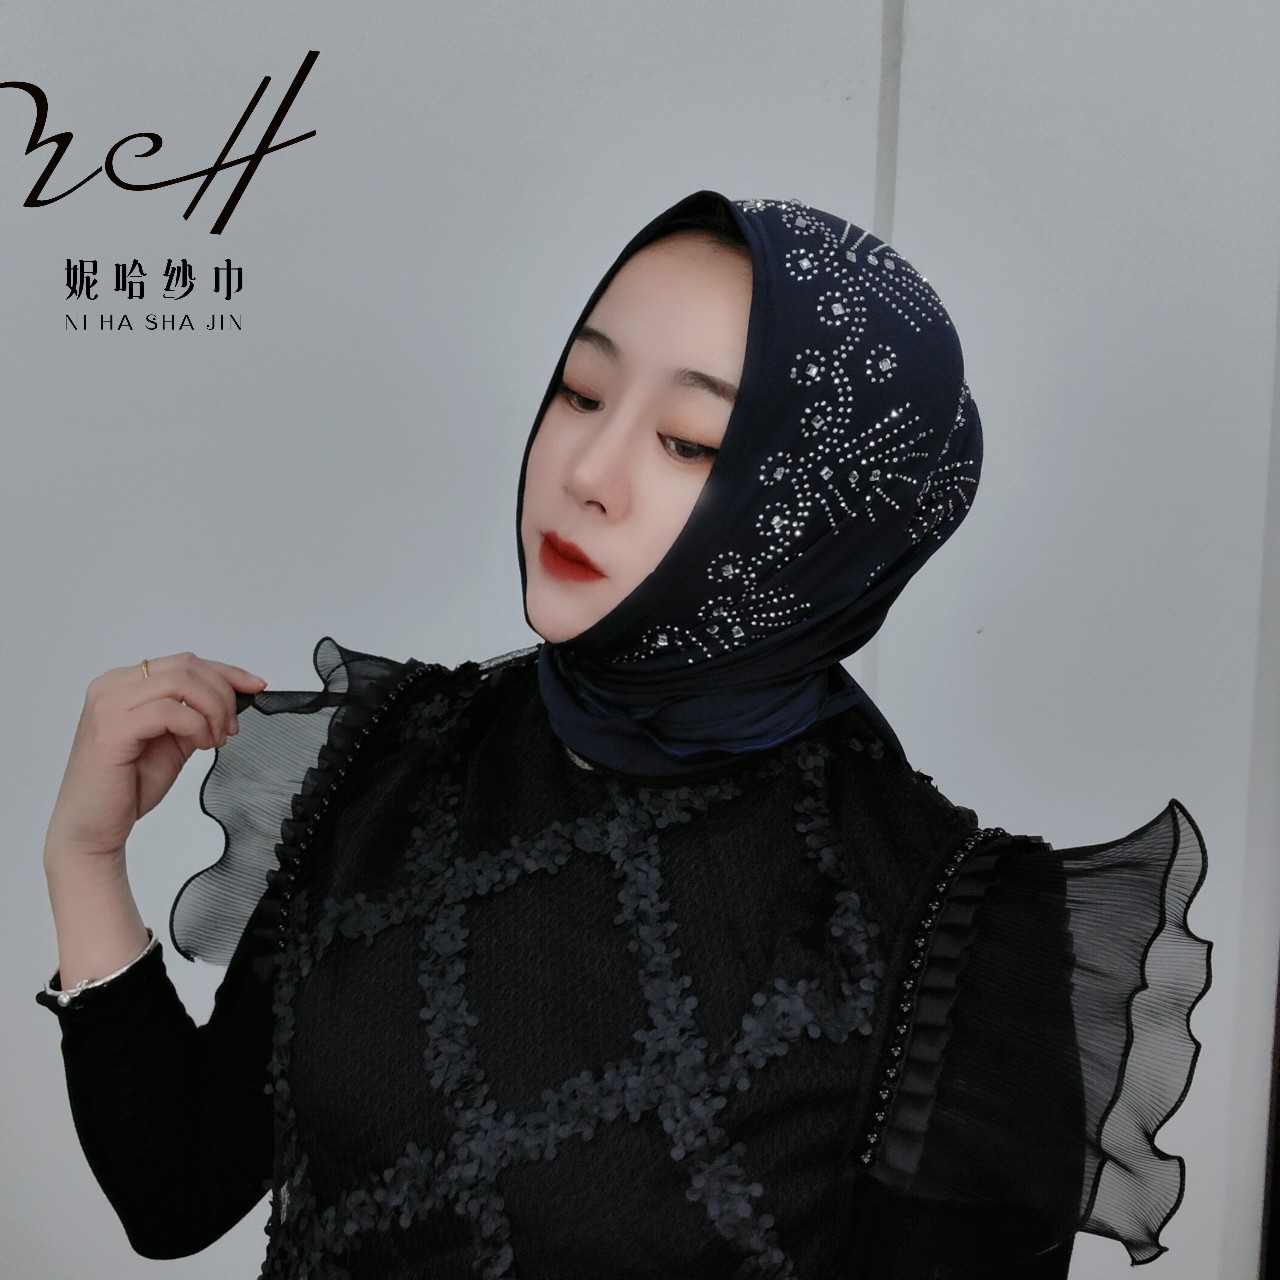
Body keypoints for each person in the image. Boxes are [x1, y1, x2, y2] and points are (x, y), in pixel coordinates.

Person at [38, 192, 1210, 1279]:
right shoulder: (393, 757)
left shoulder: (947, 941)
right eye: (582, 391)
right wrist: (85, 858)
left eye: (689, 440)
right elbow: (176, 1191)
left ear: (814, 506)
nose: (586, 472)